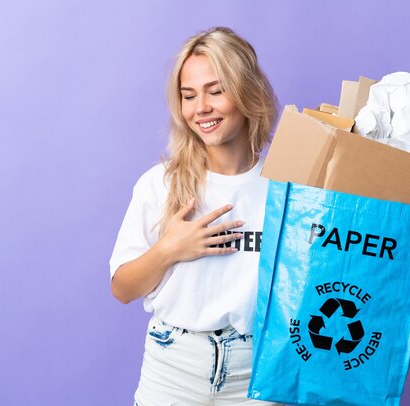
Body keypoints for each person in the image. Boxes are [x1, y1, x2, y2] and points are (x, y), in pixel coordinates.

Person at [109, 27, 281, 405]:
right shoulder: (161, 184)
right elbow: (122, 288)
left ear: (248, 93)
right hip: (173, 369)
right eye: (189, 96)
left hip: (258, 370)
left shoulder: (285, 190)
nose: (200, 107)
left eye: (215, 91)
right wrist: (169, 249)